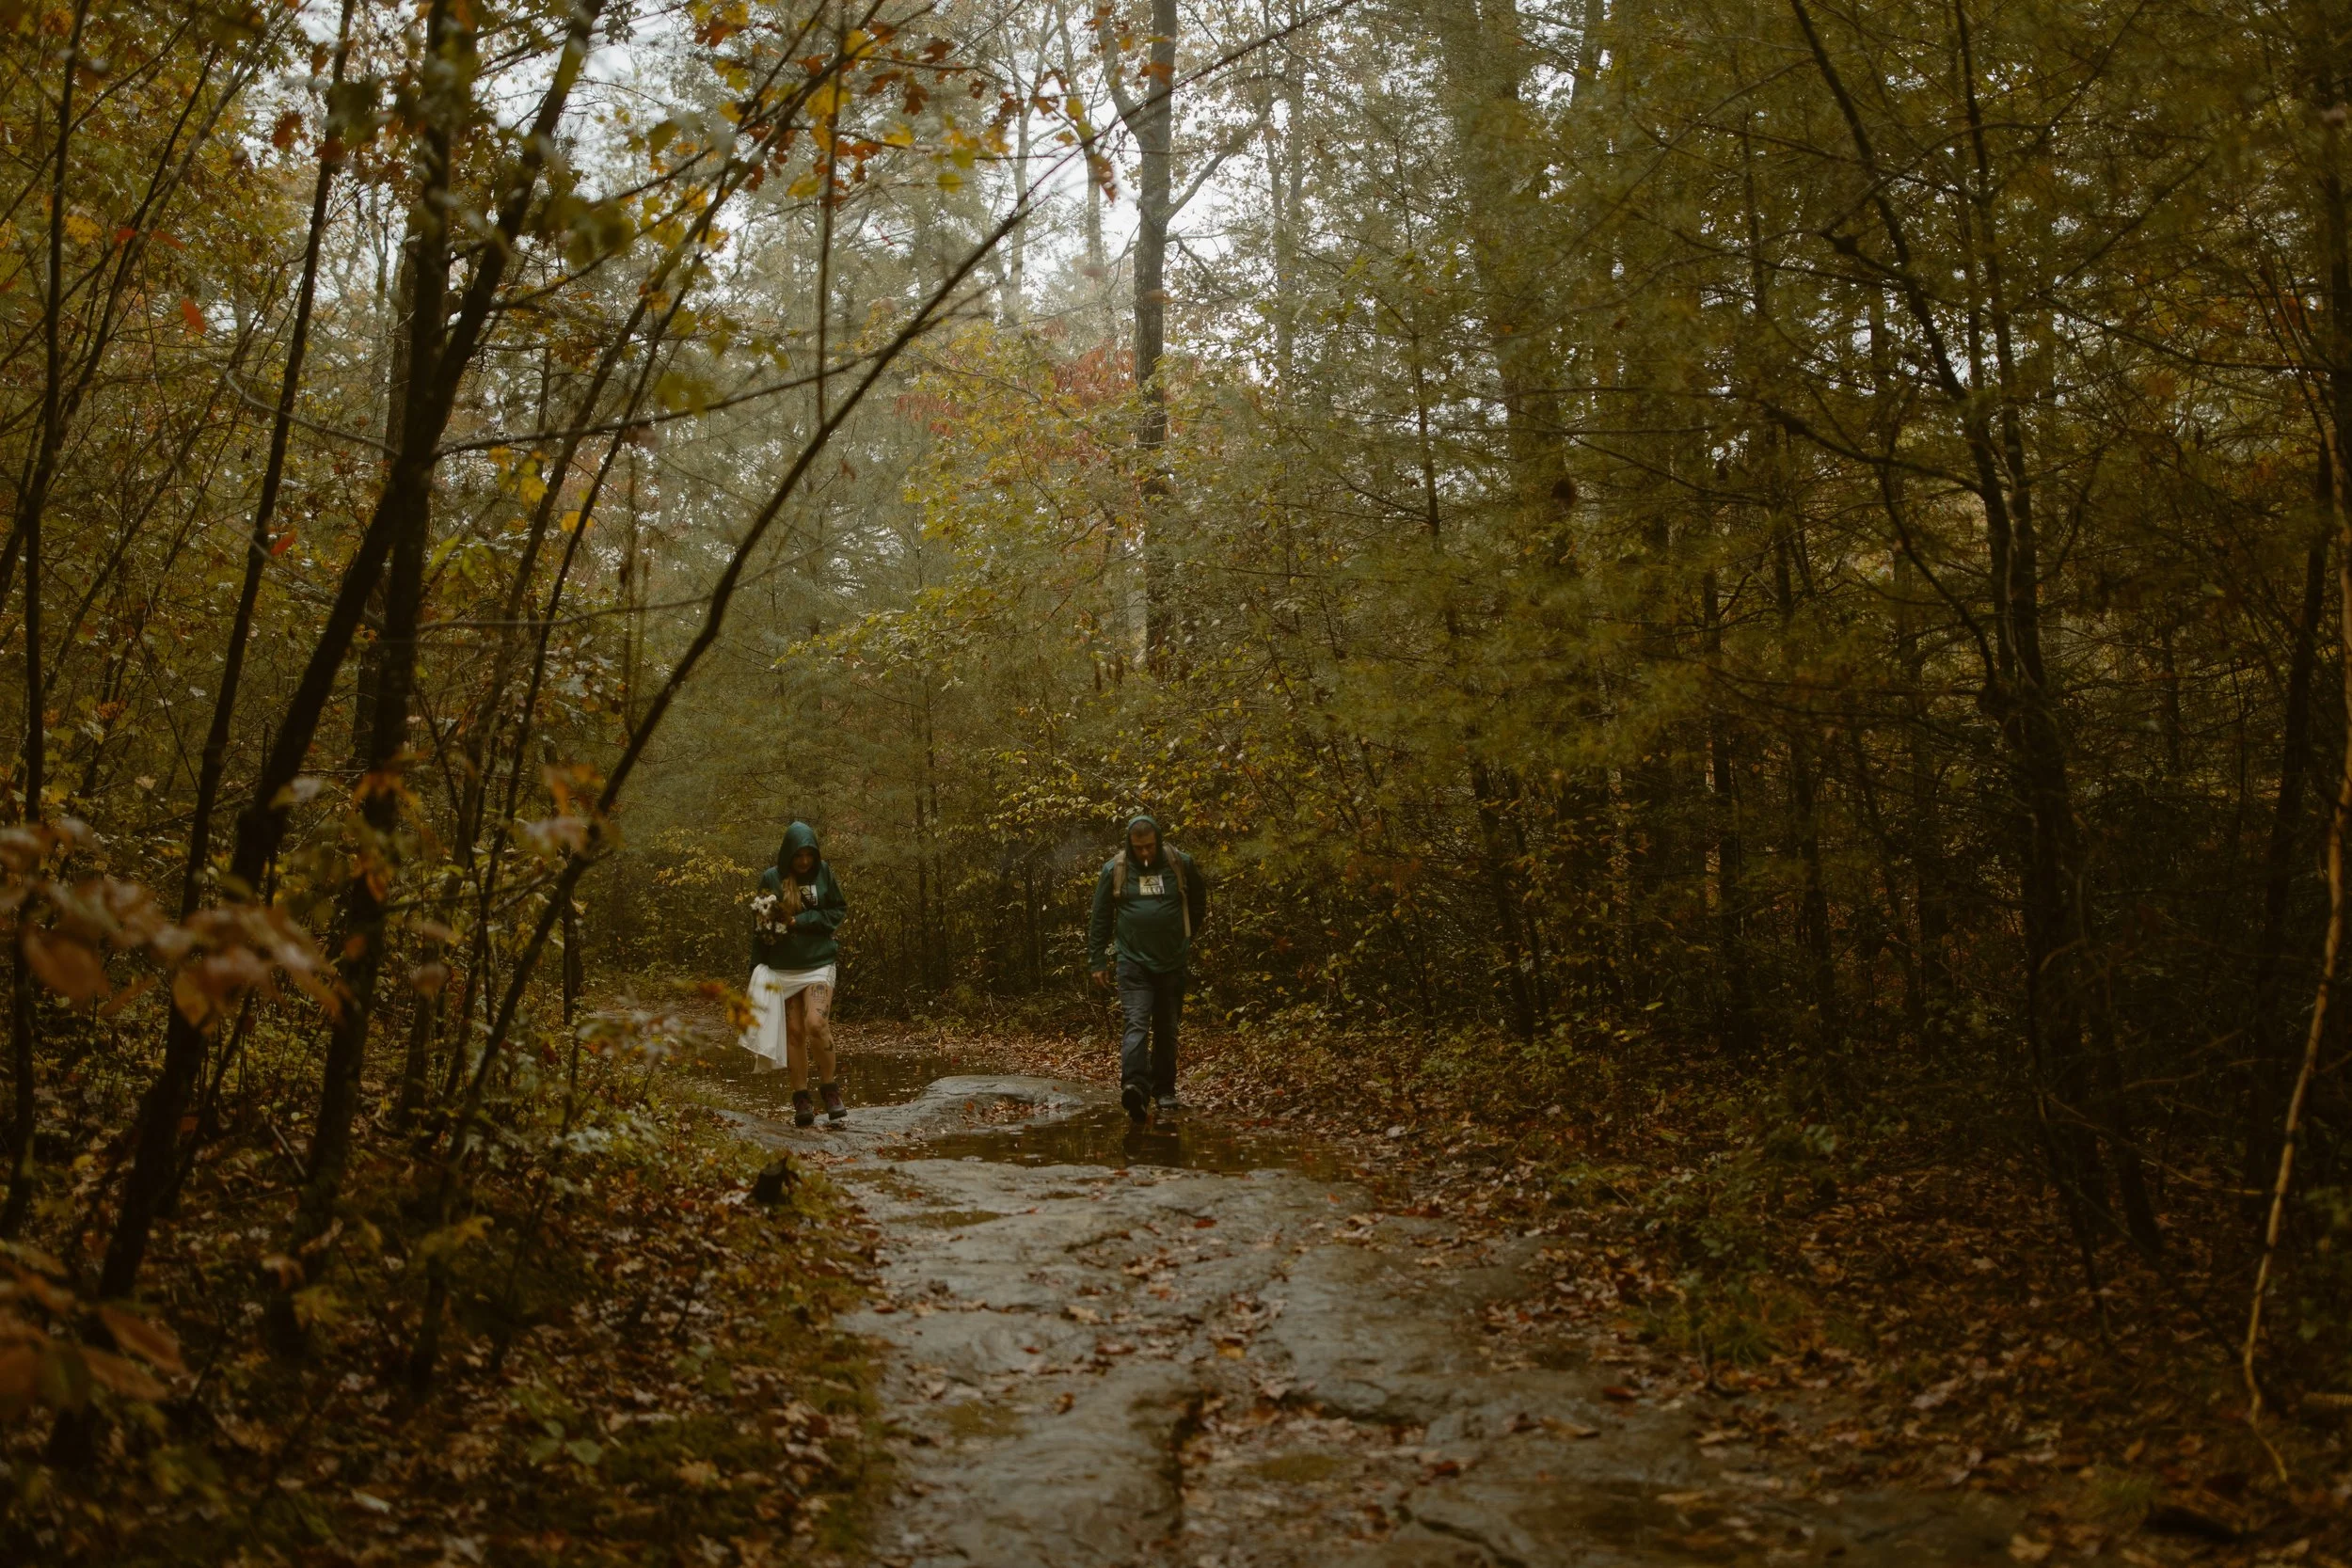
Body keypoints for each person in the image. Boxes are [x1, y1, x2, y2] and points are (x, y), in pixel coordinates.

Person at [1089, 814, 1207, 1124]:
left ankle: (1165, 1090)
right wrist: (1097, 961)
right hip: (1133, 962)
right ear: (1130, 844)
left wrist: (1181, 937)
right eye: (1139, 848)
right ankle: (1135, 1088)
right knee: (1137, 1023)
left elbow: (1198, 904)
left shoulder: (1180, 864)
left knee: (1167, 1029)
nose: (1145, 854)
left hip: (1172, 962)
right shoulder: (1115, 870)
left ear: (1158, 841)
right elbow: (1100, 918)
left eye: (1149, 847)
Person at [742, 821, 849, 1128]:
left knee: (816, 1024)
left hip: (818, 963)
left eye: (809, 855)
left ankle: (830, 1090)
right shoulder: (770, 879)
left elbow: (837, 911)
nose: (804, 861)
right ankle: (801, 1099)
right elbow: (760, 928)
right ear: (788, 854)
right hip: (782, 969)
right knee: (794, 1033)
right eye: (798, 855)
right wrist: (755, 968)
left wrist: (797, 921)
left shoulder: (824, 873)